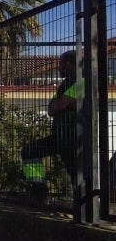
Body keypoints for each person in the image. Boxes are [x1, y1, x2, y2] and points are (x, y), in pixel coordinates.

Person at [21, 50, 81, 196]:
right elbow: (51, 108)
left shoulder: (82, 81)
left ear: (69, 64)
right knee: (29, 151)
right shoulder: (64, 85)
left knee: (77, 175)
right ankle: (39, 190)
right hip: (59, 136)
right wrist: (63, 104)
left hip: (75, 138)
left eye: (60, 64)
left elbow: (59, 105)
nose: (59, 68)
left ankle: (83, 204)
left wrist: (61, 104)